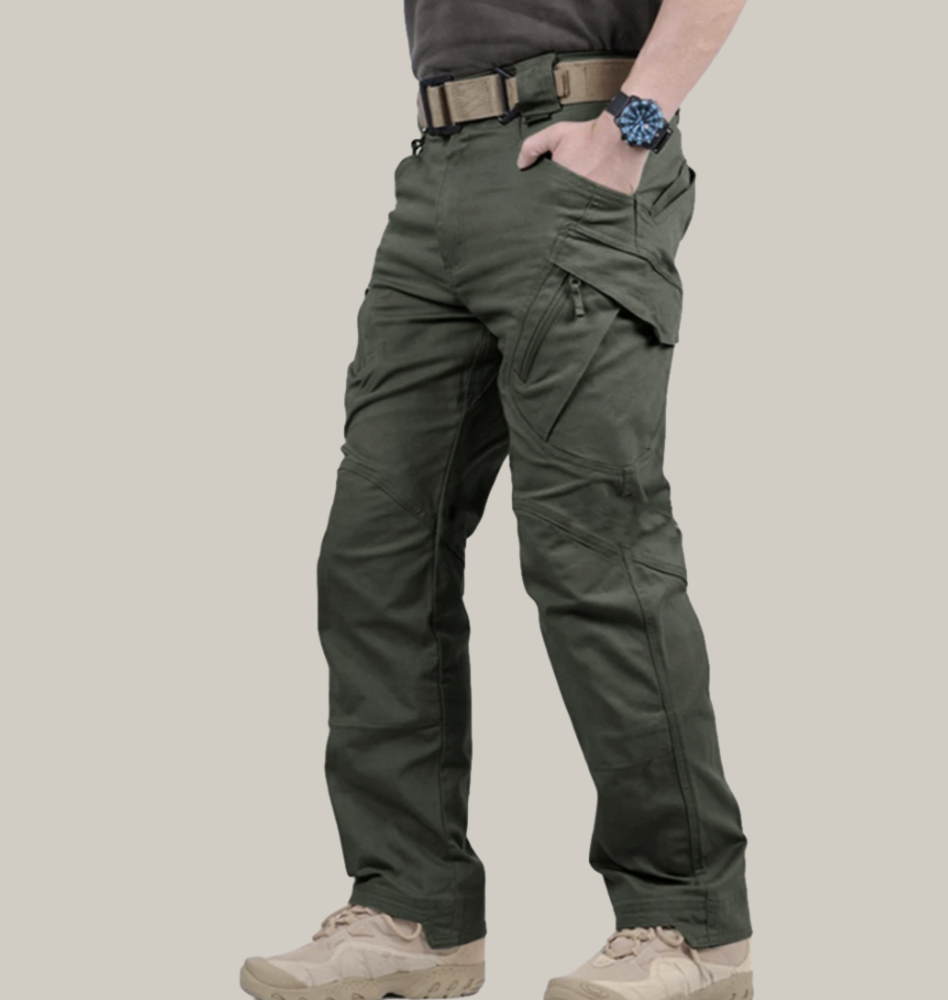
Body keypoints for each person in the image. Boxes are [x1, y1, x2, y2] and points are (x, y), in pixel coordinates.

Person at [240, 1, 754, 998]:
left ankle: (688, 923)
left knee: (592, 549)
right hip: (435, 171)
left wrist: (632, 129)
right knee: (376, 549)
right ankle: (410, 909)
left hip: (580, 151)